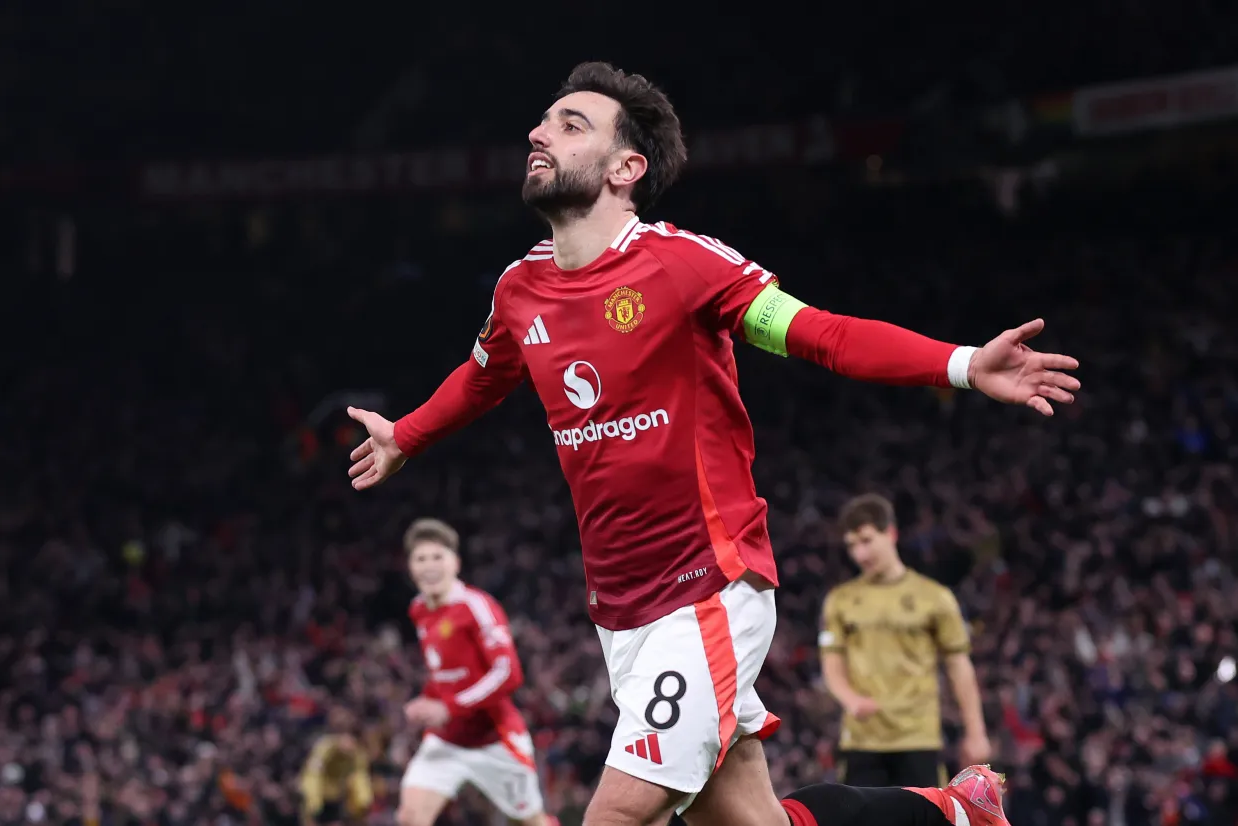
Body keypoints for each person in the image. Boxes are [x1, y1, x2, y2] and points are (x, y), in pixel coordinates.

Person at [345, 61, 1081, 826]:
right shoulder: (518, 289)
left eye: (571, 125)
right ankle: (954, 810)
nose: (539, 133)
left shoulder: (683, 266)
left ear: (627, 169)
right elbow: (483, 377)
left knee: (616, 814)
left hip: (708, 589)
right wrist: (406, 436)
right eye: (544, 120)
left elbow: (821, 334)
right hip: (620, 613)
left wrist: (963, 364)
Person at [821, 494, 991, 787]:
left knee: (926, 812)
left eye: (866, 541)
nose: (860, 554)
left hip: (918, 739)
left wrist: (976, 733)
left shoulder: (935, 597)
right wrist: (850, 699)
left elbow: (959, 667)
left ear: (891, 533)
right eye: (851, 545)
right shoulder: (840, 600)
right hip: (862, 741)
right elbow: (831, 663)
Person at [397, 518, 553, 826]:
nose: (429, 566)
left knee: (531, 822)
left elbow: (508, 673)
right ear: (410, 567)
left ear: (455, 563)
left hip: (494, 739)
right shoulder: (419, 609)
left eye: (437, 557)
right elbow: (442, 670)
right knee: (411, 817)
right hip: (447, 740)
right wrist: (428, 699)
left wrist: (448, 707)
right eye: (421, 559)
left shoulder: (476, 606)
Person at [299, 707, 374, 826]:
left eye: (354, 739)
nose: (350, 744)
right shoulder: (324, 748)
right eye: (347, 737)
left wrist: (363, 800)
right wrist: (313, 801)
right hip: (317, 800)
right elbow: (313, 774)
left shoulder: (357, 753)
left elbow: (360, 776)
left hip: (338, 799)